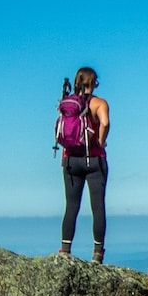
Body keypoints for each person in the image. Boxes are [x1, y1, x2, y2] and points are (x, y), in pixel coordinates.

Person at [58, 66, 111, 262]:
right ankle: (97, 253)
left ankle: (65, 249)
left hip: (71, 159)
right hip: (95, 159)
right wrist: (101, 140)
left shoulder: (67, 104)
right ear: (94, 82)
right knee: (97, 206)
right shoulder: (99, 103)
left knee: (71, 205)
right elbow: (104, 123)